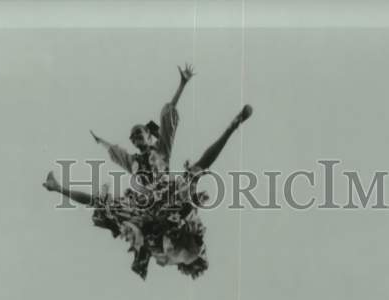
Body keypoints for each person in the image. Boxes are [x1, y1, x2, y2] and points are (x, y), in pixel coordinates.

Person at [43, 64, 253, 279]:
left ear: (148, 135)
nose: (136, 138)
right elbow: (116, 151)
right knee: (103, 204)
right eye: (133, 137)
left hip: (168, 192)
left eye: (139, 133)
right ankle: (56, 187)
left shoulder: (160, 150)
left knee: (196, 170)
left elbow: (168, 120)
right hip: (147, 202)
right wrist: (101, 142)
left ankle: (232, 126)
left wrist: (182, 85)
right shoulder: (133, 162)